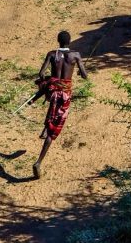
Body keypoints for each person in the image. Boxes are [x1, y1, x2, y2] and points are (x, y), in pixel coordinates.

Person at [28, 31, 87, 179]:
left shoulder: (51, 54)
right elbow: (85, 76)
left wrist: (51, 78)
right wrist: (79, 72)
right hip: (65, 95)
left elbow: (41, 74)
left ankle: (45, 128)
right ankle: (38, 162)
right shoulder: (76, 55)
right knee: (53, 131)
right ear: (70, 41)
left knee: (52, 105)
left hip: (53, 93)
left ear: (58, 41)